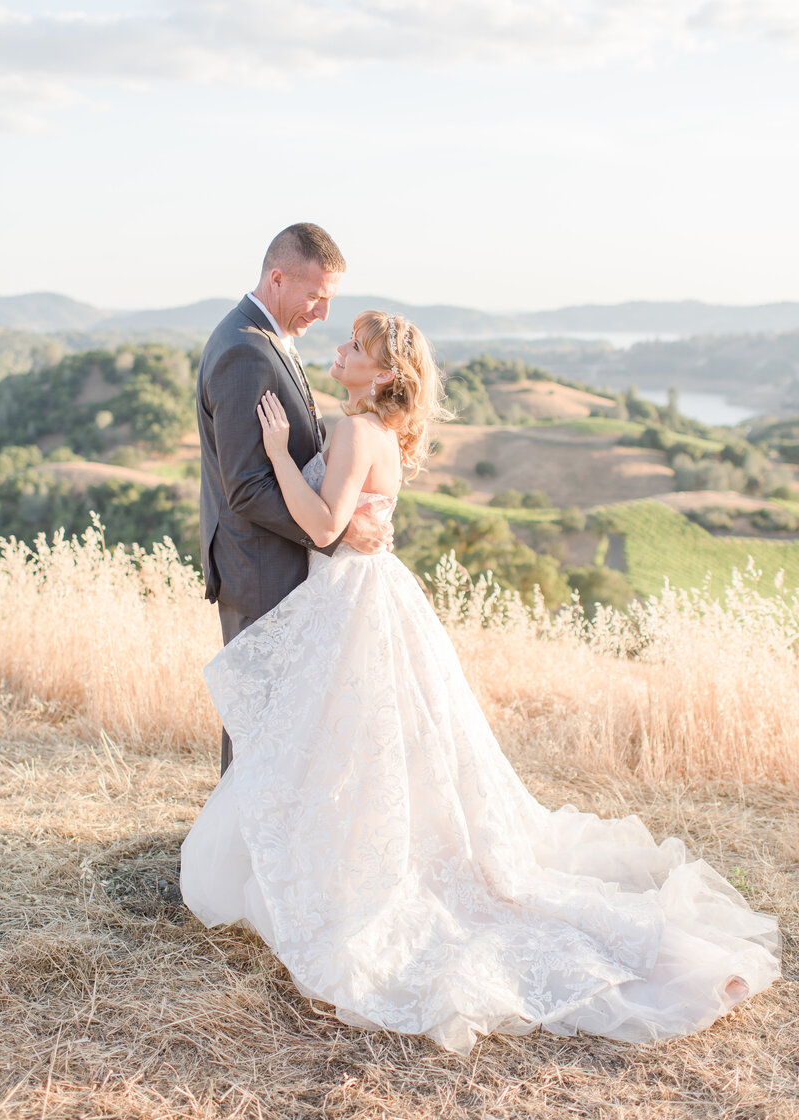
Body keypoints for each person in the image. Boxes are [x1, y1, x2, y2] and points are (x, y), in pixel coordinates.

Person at [181, 311, 780, 1057]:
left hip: (350, 601)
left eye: (355, 346)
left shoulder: (355, 431)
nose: (339, 349)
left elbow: (325, 526)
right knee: (374, 750)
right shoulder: (380, 434)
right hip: (371, 595)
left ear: (384, 373)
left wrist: (275, 453)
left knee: (350, 749)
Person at [196, 223, 392, 775]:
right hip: (259, 566)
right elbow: (246, 487)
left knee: (280, 724)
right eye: (315, 296)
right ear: (278, 279)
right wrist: (339, 529)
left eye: (330, 299)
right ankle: (241, 831)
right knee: (259, 724)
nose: (324, 314)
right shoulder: (245, 351)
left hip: (278, 562)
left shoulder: (267, 337)